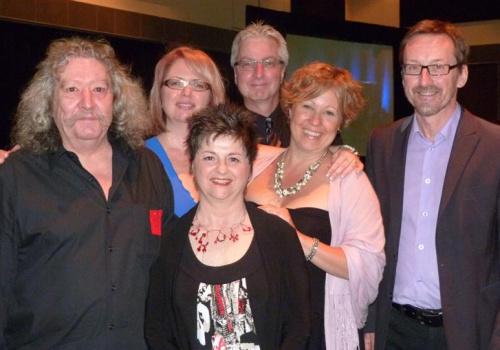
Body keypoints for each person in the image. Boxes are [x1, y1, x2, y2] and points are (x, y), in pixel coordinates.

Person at [0, 37, 175, 349]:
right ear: (49, 102)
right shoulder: (17, 175)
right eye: (71, 89)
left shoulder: (148, 167)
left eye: (99, 89)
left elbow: (171, 270)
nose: (87, 102)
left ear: (115, 99)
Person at [364, 19, 500, 350]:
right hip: (392, 328)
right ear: (402, 77)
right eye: (413, 68)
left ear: (462, 74)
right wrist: (369, 321)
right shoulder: (382, 143)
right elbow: (369, 240)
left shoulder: (494, 146)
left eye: (437, 67)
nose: (424, 80)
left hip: (468, 332)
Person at [145, 103, 311, 349]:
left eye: (233, 158)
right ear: (192, 164)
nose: (221, 169)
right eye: (209, 157)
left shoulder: (278, 236)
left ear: (249, 167)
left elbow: (299, 327)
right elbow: (158, 332)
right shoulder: (171, 241)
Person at [246, 62, 385, 349]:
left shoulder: (350, 180)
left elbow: (370, 266)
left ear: (340, 124)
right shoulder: (255, 162)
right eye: (308, 106)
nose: (316, 121)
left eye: (329, 112)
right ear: (290, 108)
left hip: (315, 330)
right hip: (254, 323)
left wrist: (298, 240)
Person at [146, 46, 226, 216]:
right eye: (176, 83)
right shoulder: (137, 158)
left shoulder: (228, 155)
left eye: (198, 85)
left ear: (212, 97)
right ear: (160, 93)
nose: (186, 92)